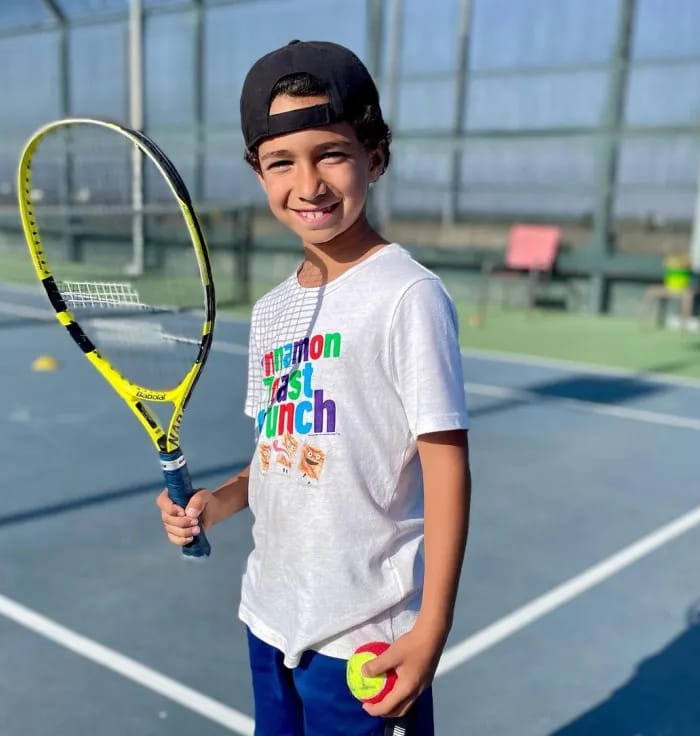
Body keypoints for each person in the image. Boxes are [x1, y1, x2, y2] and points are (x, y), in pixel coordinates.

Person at [156, 39, 471, 736]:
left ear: (375, 158)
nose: (310, 183)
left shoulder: (407, 295)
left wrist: (433, 626)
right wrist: (219, 502)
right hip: (269, 617)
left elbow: (447, 468)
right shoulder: (272, 311)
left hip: (363, 638)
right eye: (281, 162)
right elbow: (278, 450)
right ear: (257, 172)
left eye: (331, 153)